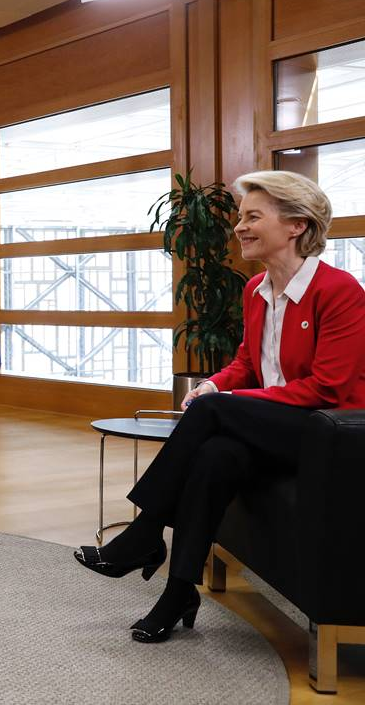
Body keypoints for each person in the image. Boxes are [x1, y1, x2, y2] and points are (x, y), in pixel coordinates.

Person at [74, 170, 365, 642]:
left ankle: (145, 534)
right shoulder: (255, 291)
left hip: (326, 434)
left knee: (213, 412)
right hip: (276, 425)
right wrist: (214, 385)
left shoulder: (338, 290)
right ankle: (178, 592)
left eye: (253, 216)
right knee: (213, 456)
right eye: (239, 217)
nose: (239, 227)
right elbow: (248, 363)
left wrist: (225, 401)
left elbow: (328, 388)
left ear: (296, 225)